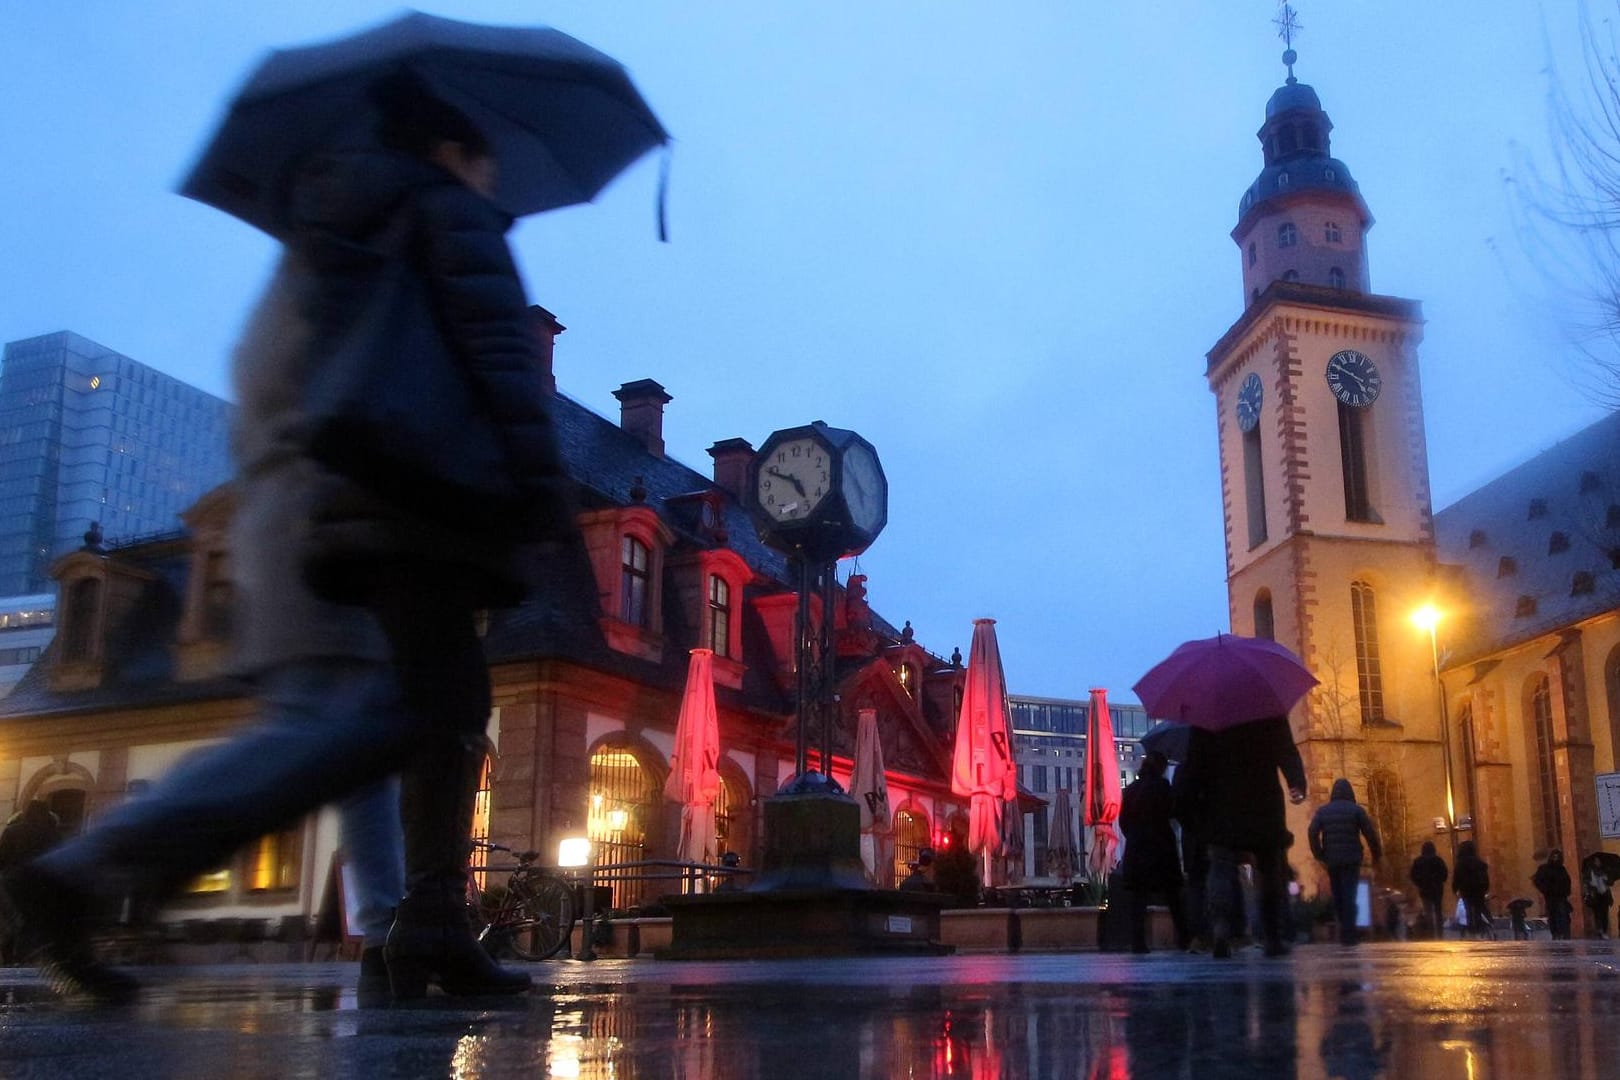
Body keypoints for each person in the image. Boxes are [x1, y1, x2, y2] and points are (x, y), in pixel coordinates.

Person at [0, 72, 568, 1003]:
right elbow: (501, 355)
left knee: (382, 716)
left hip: (312, 505)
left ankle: (409, 921)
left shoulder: (330, 236)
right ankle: (88, 871)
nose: (492, 180)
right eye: (484, 161)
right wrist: (537, 487)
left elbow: (266, 375)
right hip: (405, 499)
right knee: (377, 723)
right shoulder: (442, 216)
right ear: (451, 150)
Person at [1174, 715, 1307, 958]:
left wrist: (1189, 805)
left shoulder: (1209, 713)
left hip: (1223, 803)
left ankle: (1221, 928)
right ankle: (1272, 935)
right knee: (1268, 867)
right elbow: (1286, 749)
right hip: (1263, 799)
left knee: (1221, 866)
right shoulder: (1267, 709)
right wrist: (1296, 782)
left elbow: (1195, 763)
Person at [1118, 751, 1187, 953]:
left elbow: (1124, 821)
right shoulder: (1163, 787)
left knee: (1139, 899)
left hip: (1137, 847)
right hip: (1161, 845)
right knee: (1173, 896)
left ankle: (1138, 942)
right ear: (1161, 767)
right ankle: (1184, 938)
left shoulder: (1131, 790)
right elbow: (1172, 811)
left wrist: (1134, 835)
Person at [1307, 778, 1383, 946]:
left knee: (1339, 895)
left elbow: (1312, 831)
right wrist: (1377, 855)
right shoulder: (1356, 811)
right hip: (1351, 858)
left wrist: (1319, 855)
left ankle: (1344, 930)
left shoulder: (1323, 812)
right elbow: (1370, 834)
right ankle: (1349, 934)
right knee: (1350, 894)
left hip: (1332, 859)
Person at [0, 801, 61, 965]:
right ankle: (22, 961)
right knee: (30, 926)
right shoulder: (54, 835)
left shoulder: (12, 831)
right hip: (40, 887)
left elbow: (2, 859)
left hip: (11, 886)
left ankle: (7, 960)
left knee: (10, 924)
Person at [1408, 841, 1449, 940]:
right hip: (1437, 890)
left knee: (1428, 912)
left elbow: (1412, 875)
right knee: (1438, 911)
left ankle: (1431, 934)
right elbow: (1444, 873)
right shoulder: (1438, 860)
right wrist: (1439, 881)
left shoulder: (1418, 861)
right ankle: (1440, 934)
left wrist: (1420, 883)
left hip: (1425, 890)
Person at [1452, 840, 1491, 938]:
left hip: (1466, 890)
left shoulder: (1460, 864)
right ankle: (1480, 928)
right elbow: (1485, 878)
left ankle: (1472, 931)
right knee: (1478, 909)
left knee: (1469, 910)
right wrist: (1485, 888)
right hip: (1479, 890)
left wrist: (1455, 889)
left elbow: (1456, 878)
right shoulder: (1480, 863)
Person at [1532, 848, 1573, 940]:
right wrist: (1545, 890)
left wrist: (1566, 892)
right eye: (1554, 856)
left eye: (1557, 857)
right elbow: (1538, 880)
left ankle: (1562, 933)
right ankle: (1555, 933)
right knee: (1553, 915)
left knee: (1562, 915)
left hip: (1561, 896)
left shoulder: (1562, 869)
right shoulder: (1544, 868)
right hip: (1550, 896)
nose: (1555, 858)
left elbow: (1567, 881)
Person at [1582, 860, 1613, 939]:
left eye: (1599, 861)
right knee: (1597, 913)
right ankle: (1600, 930)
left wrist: (1606, 879)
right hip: (1595, 895)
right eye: (1596, 861)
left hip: (1605, 894)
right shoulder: (1590, 872)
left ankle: (1604, 931)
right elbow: (1585, 882)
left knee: (1605, 913)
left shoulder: (1605, 871)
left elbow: (1610, 882)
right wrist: (1587, 891)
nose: (1598, 863)